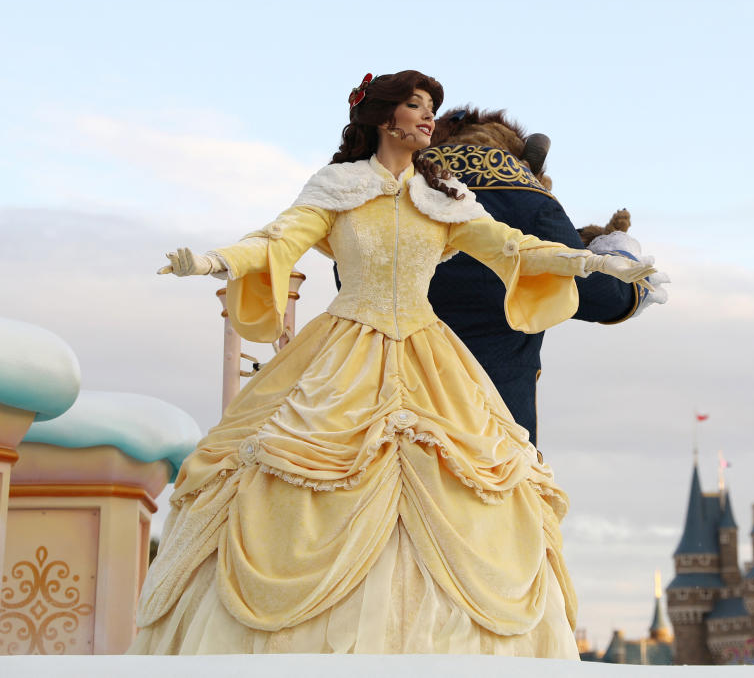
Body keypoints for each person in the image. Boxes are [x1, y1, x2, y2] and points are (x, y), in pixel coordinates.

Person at [132, 70, 656, 656]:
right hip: (346, 352)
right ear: (384, 119)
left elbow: (512, 248)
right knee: (302, 473)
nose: (428, 117)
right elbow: (278, 242)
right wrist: (210, 263)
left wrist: (590, 265)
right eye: (415, 106)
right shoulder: (339, 188)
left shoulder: (447, 196)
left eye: (431, 106)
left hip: (428, 354)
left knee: (469, 479)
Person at [422, 106, 668, 446]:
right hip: (492, 419)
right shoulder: (520, 190)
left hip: (388, 406)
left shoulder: (393, 189)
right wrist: (618, 252)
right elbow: (598, 295)